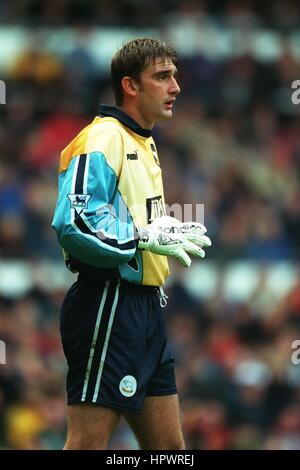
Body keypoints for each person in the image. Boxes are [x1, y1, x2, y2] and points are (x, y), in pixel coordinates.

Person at [52, 38, 211, 450]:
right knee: (87, 444)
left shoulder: (145, 141)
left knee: (170, 452)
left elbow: (126, 219)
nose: (175, 86)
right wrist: (141, 236)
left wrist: (159, 227)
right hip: (108, 303)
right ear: (130, 86)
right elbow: (74, 222)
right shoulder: (103, 138)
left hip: (146, 310)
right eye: (162, 76)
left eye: (174, 75)